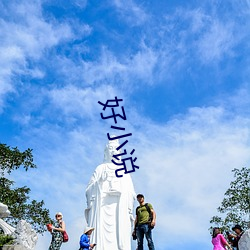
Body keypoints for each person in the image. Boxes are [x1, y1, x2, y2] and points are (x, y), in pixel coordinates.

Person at [85, 138, 136, 250]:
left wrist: (123, 192)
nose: (113, 152)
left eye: (116, 149)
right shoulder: (100, 168)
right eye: (111, 149)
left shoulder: (124, 170)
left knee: (119, 236)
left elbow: (132, 193)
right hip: (101, 207)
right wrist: (99, 183)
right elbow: (88, 190)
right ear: (106, 152)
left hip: (118, 208)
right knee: (100, 236)